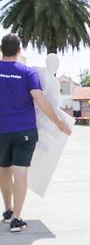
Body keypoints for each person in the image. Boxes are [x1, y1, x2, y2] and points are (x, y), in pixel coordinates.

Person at [0, 34, 72, 232]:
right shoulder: (27, 72)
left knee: (3, 170)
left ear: (1, 49)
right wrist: (59, 123)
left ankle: (7, 209)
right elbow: (39, 99)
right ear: (19, 50)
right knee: (20, 173)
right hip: (24, 130)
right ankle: (16, 218)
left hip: (1, 131)